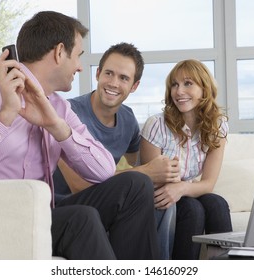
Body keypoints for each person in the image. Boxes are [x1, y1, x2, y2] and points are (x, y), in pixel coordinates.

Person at [0, 11, 160, 260]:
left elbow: (104, 170)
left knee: (135, 186)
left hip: (41, 213)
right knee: (82, 219)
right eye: (78, 56)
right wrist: (5, 115)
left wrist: (55, 126)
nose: (80, 66)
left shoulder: (60, 109)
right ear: (59, 52)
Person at [53, 42, 181, 259]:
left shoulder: (128, 119)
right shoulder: (68, 112)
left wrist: (165, 176)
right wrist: (146, 172)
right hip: (67, 204)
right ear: (98, 74)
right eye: (109, 73)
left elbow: (128, 170)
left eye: (123, 78)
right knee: (139, 181)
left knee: (163, 198)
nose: (113, 83)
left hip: (104, 204)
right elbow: (79, 185)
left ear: (134, 86)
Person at [140, 59, 233, 259]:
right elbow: (153, 181)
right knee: (192, 209)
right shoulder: (156, 124)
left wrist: (182, 188)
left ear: (204, 88)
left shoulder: (218, 125)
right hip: (157, 195)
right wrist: (180, 189)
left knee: (217, 204)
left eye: (188, 83)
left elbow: (208, 184)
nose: (179, 91)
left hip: (182, 190)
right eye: (174, 84)